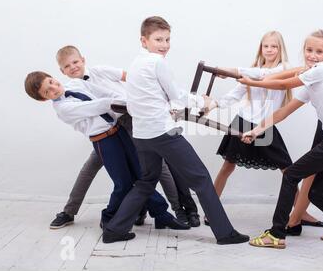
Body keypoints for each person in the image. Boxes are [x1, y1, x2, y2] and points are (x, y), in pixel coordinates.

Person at [102, 16, 249, 244]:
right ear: (144, 40)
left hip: (142, 134)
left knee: (146, 181)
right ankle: (225, 233)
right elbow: (177, 96)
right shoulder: (157, 63)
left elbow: (141, 101)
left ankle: (114, 230)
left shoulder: (136, 64)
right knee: (200, 179)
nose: (164, 45)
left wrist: (166, 108)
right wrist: (204, 101)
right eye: (158, 39)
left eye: (167, 39)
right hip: (162, 133)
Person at [24, 72, 189, 243]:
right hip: (104, 141)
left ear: (52, 77)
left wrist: (124, 98)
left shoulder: (75, 84)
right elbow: (98, 105)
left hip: (119, 131)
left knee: (142, 176)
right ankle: (109, 220)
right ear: (44, 99)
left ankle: (161, 215)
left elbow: (103, 93)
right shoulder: (63, 109)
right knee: (123, 183)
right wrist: (131, 103)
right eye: (47, 92)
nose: (53, 88)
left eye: (51, 82)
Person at [49, 45, 200, 229]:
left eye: (75, 62)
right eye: (67, 66)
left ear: (83, 60)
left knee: (156, 166)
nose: (72, 67)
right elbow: (88, 110)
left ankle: (178, 210)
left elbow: (131, 78)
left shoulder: (100, 71)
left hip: (132, 117)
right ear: (62, 71)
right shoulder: (69, 89)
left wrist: (153, 97)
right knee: (92, 170)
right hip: (111, 131)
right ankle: (69, 212)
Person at [240, 30, 323, 248]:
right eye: (309, 50)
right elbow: (284, 112)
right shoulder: (312, 81)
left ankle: (276, 235)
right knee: (316, 192)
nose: (313, 55)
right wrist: (257, 130)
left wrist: (253, 82)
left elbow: (283, 85)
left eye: (319, 52)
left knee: (290, 176)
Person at [205, 31, 323, 227]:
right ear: (261, 48)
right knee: (228, 166)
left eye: (274, 46)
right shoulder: (253, 69)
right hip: (244, 122)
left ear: (280, 49)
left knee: (288, 170)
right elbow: (236, 94)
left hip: (264, 126)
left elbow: (265, 75)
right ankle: (211, 209)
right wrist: (214, 104)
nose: (269, 50)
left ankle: (301, 213)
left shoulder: (283, 69)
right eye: (266, 46)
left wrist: (229, 71)